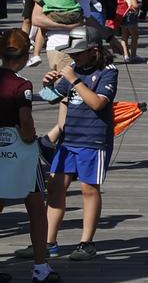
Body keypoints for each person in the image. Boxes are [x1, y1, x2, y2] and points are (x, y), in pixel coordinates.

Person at [40, 22, 118, 259]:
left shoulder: (109, 71)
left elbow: (98, 103)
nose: (72, 56)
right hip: (68, 139)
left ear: (94, 50)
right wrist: (48, 84)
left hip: (93, 140)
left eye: (77, 52)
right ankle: (48, 242)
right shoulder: (75, 67)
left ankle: (87, 242)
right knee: (55, 188)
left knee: (89, 189)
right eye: (71, 53)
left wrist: (74, 80)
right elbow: (51, 97)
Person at [0, 29, 57, 283]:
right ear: (23, 58)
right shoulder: (22, 85)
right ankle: (40, 268)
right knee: (35, 207)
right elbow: (25, 120)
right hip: (19, 150)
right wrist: (29, 136)